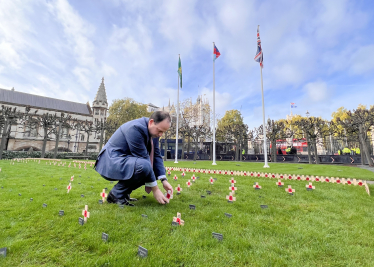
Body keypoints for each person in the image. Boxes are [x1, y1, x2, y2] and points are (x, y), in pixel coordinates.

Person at [94, 111, 173, 206]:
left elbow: (156, 155)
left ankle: (123, 193)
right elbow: (144, 159)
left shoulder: (154, 133)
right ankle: (116, 195)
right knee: (144, 166)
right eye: (160, 130)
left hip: (126, 160)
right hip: (111, 161)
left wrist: (164, 180)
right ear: (151, 122)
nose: (161, 134)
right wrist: (155, 190)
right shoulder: (135, 128)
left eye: (163, 132)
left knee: (154, 169)